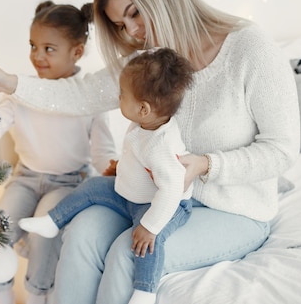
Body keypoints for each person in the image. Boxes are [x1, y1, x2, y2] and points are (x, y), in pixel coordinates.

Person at [0, 0, 300, 304]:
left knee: (129, 256)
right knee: (79, 234)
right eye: (122, 26)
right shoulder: (150, 60)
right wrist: (9, 82)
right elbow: (80, 94)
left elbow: (281, 150)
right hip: (152, 199)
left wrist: (205, 165)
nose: (134, 32)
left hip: (232, 211)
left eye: (135, 14)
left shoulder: (251, 48)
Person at [0, 0, 117, 304]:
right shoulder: (21, 90)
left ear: (77, 52)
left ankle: (38, 297)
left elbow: (102, 150)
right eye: (33, 46)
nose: (37, 56)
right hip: (26, 178)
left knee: (44, 234)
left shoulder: (88, 98)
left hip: (68, 182)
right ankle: (3, 297)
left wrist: (111, 168)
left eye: (49, 49)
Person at [19, 49, 194, 304]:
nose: (118, 97)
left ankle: (145, 290)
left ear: (143, 108)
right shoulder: (146, 123)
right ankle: (52, 221)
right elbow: (139, 159)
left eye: (122, 95)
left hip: (159, 205)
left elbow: (172, 189)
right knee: (91, 187)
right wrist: (122, 169)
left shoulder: (161, 146)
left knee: (145, 244)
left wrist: (150, 226)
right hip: (129, 193)